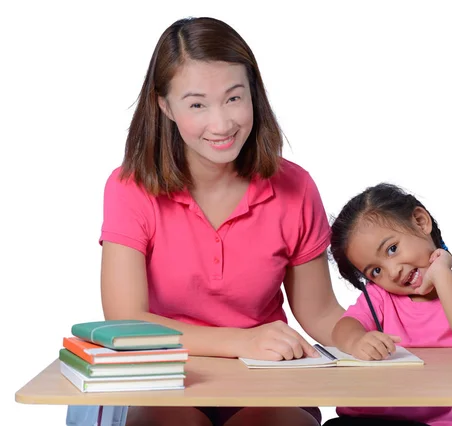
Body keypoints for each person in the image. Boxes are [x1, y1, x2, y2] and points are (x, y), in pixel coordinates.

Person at [99, 17, 344, 426]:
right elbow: (126, 321)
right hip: (168, 380)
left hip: (266, 378)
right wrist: (243, 340)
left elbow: (319, 313)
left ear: (254, 94)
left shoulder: (295, 186)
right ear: (165, 106)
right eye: (197, 104)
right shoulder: (130, 187)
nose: (222, 124)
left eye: (234, 98)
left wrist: (373, 335)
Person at [325, 183, 452, 426]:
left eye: (392, 249)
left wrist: (441, 273)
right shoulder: (381, 296)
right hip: (368, 419)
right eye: (376, 271)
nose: (393, 271)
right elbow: (343, 328)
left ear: (421, 222)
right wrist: (357, 340)